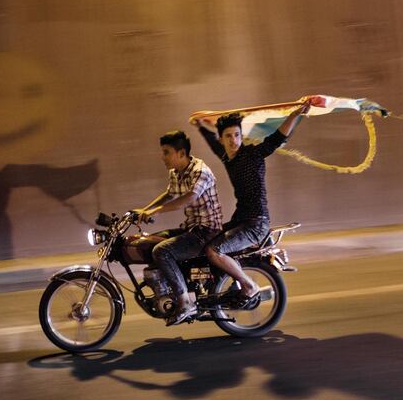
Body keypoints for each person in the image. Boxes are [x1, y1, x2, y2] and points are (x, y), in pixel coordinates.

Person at [194, 98, 315, 303]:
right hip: (241, 220)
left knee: (214, 251)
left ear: (242, 136)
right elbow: (212, 141)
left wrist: (294, 115)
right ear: (222, 139)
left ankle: (249, 285)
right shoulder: (226, 156)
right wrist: (200, 125)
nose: (233, 140)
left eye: (237, 135)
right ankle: (222, 285)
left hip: (256, 223)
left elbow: (277, 139)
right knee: (203, 240)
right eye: (228, 136)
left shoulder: (253, 154)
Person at [135, 130, 223, 325]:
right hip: (192, 227)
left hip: (207, 231)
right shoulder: (176, 172)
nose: (162, 157)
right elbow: (169, 195)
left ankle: (185, 302)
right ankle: (168, 287)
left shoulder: (200, 170)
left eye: (166, 152)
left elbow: (189, 197)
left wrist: (156, 212)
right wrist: (144, 210)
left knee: (162, 251)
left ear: (181, 153)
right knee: (151, 241)